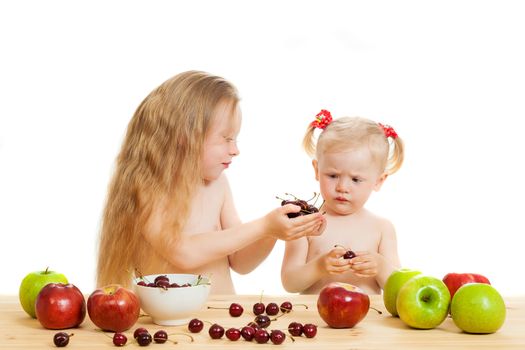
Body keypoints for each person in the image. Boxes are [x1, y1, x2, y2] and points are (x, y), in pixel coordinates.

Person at [96, 71, 325, 294]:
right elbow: (182, 252)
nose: (235, 150)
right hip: (166, 327)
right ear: (185, 138)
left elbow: (241, 262)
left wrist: (274, 232)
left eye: (235, 139)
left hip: (220, 320)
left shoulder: (218, 185)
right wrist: (264, 226)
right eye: (226, 139)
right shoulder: (147, 187)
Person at [281, 110, 404, 294]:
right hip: (314, 320)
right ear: (317, 169)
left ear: (379, 180)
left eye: (356, 179)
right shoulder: (305, 224)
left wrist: (380, 266)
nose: (342, 187)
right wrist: (319, 266)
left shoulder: (382, 228)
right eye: (332, 175)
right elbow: (290, 283)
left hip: (367, 320)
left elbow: (399, 288)